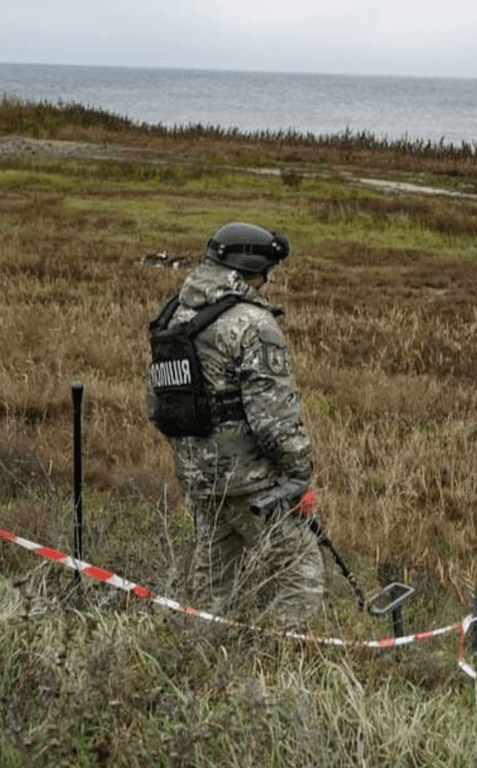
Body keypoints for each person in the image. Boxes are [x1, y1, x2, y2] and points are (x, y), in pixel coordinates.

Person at [150, 221, 323, 630]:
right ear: (254, 269)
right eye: (268, 272)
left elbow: (156, 403)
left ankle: (200, 658)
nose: (270, 281)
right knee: (300, 575)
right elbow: (273, 419)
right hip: (251, 483)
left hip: (199, 478)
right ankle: (276, 660)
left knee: (211, 587)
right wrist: (299, 473)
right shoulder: (252, 324)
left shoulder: (176, 313)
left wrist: (199, 458)